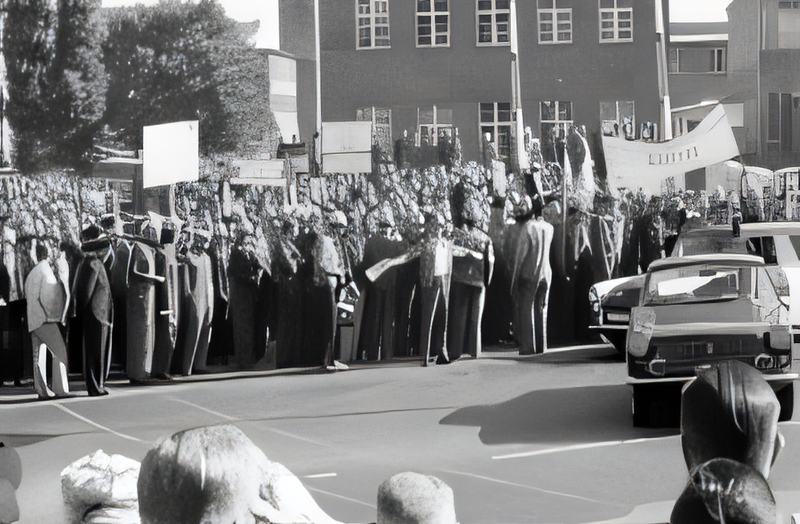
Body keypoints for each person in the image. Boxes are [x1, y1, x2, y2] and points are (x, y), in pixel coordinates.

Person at [72, 226, 114, 396]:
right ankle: (95, 386)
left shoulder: (93, 263)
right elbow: (86, 292)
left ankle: (98, 384)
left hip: (100, 314)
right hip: (97, 314)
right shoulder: (93, 263)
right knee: (94, 353)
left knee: (98, 352)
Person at [25, 242, 70, 399]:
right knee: (60, 353)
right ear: (47, 254)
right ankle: (61, 388)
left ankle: (42, 390)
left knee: (38, 357)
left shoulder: (32, 273)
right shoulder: (47, 272)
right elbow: (49, 298)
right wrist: (56, 316)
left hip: (33, 319)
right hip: (45, 320)